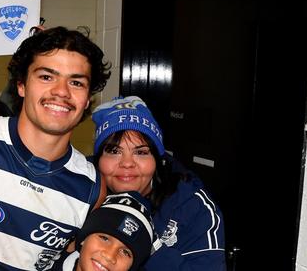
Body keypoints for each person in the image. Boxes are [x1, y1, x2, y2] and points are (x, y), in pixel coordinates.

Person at [0, 26, 112, 270]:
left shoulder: (92, 188)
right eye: (47, 77)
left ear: (88, 98)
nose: (61, 91)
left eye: (76, 82)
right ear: (21, 85)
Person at [91, 96, 226, 270]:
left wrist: (147, 241)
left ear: (157, 159)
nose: (127, 163)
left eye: (141, 152)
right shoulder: (80, 190)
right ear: (98, 159)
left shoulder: (191, 205)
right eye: (114, 151)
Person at [55, 192, 156, 271]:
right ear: (83, 238)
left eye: (125, 252)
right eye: (104, 238)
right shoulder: (45, 265)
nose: (109, 256)